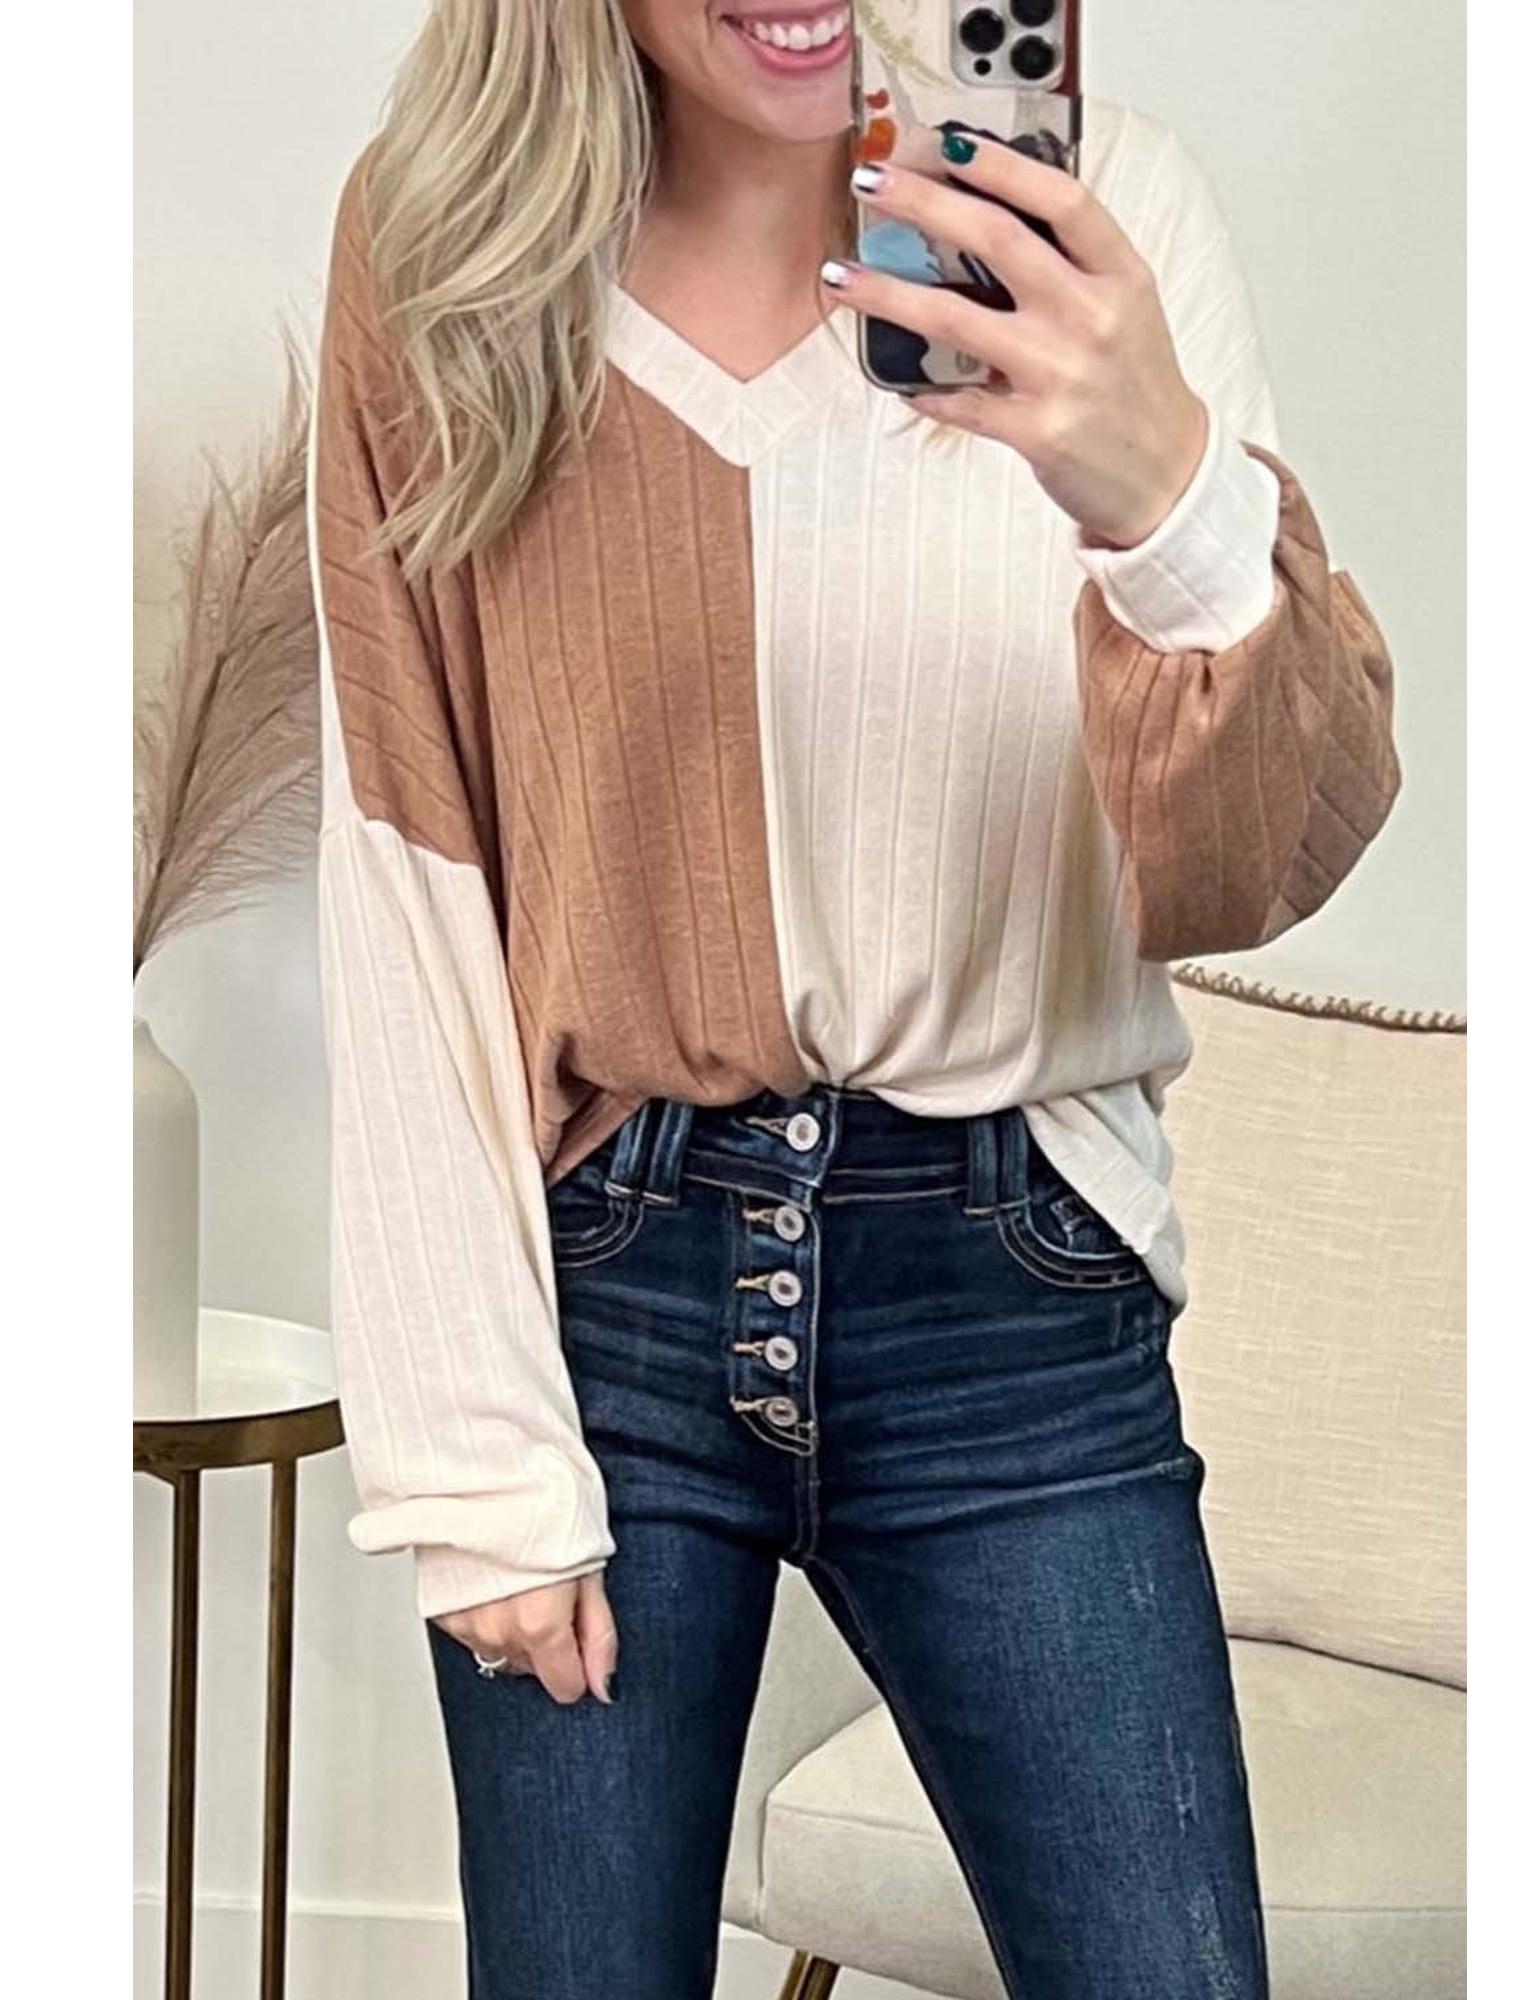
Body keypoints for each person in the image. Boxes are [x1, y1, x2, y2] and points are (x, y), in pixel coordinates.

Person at [307, 3, 1401, 1994]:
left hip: (1013, 1301)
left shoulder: (1107, 216)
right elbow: (406, 859)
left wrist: (1165, 507)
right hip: (608, 1294)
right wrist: (469, 1461)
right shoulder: (446, 256)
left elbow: (1252, 870)